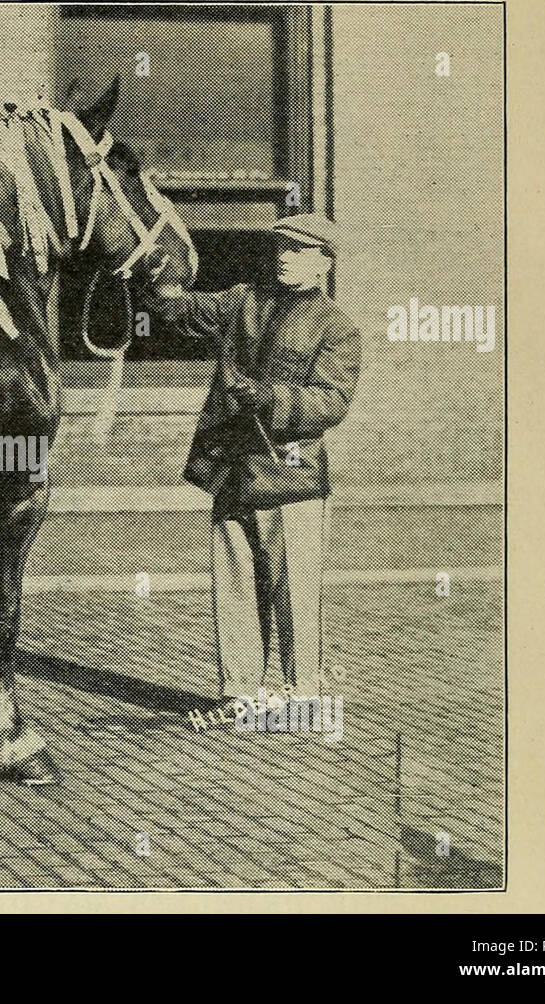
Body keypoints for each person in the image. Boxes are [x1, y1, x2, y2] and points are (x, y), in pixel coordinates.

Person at [142, 213, 361, 712]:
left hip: (290, 471)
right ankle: (241, 691)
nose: (282, 255)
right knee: (236, 578)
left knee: (293, 588)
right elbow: (185, 312)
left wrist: (263, 396)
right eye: (280, 246)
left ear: (324, 263)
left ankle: (299, 690)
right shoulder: (243, 301)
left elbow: (329, 401)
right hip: (234, 466)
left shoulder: (337, 327)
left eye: (297, 250)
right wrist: (152, 278)